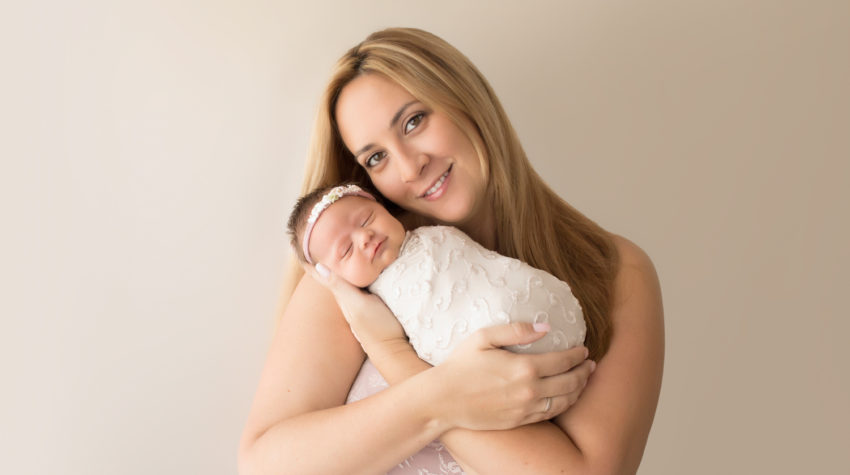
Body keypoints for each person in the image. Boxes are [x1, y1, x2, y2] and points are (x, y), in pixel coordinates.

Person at [239, 27, 664, 475]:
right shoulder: (356, 271)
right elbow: (265, 467)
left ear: (466, 99)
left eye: (413, 121)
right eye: (376, 158)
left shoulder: (615, 272)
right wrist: (437, 397)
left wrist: (400, 363)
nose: (409, 166)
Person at [286, 182, 586, 366]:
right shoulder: (371, 308)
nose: (364, 237)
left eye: (366, 219)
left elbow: (484, 264)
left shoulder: (432, 232)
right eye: (346, 251)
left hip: (524, 301)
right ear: (332, 275)